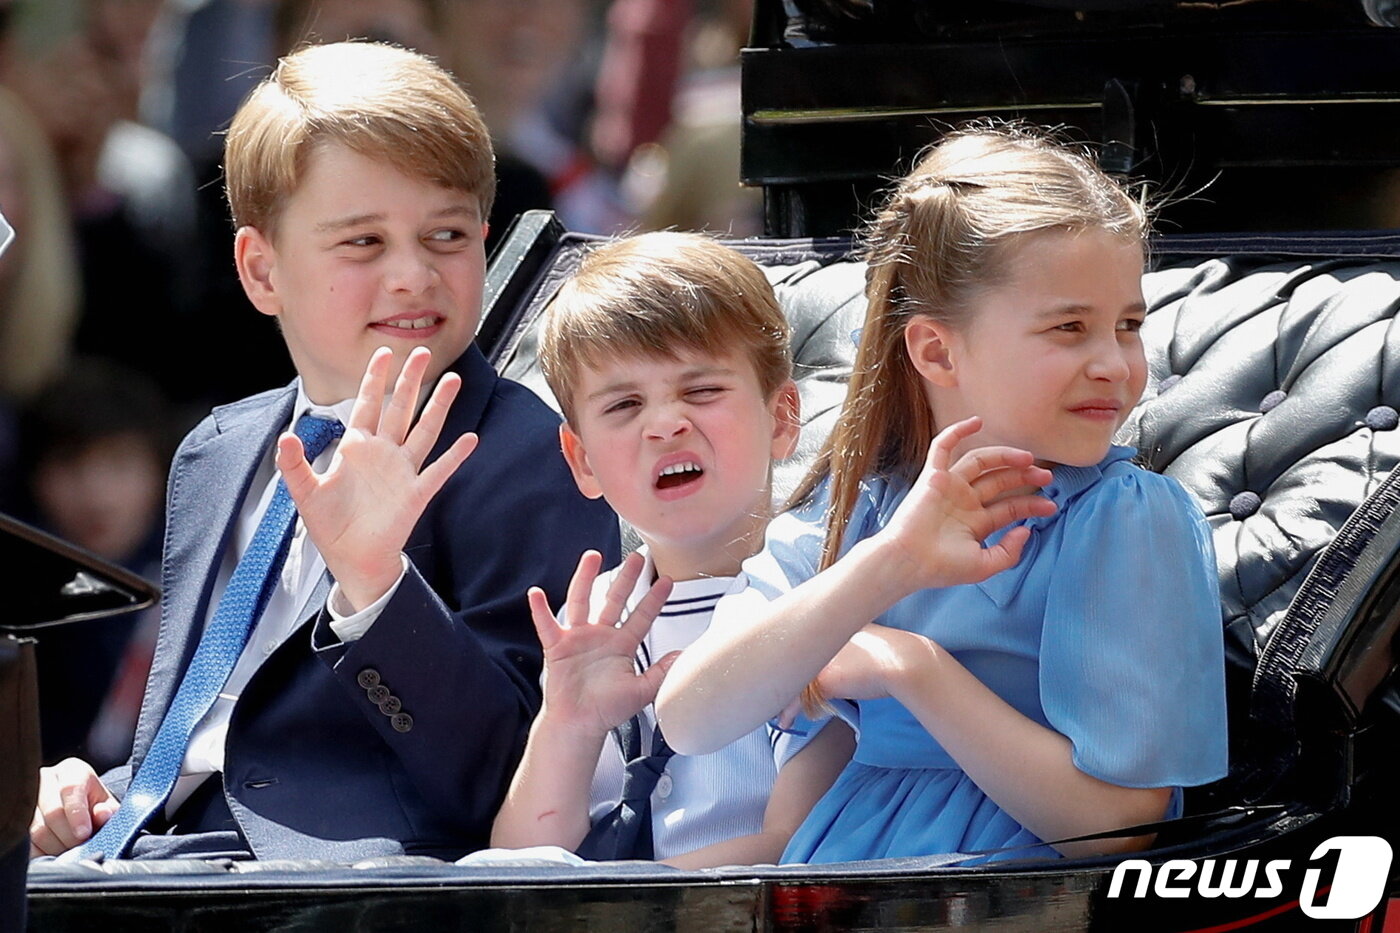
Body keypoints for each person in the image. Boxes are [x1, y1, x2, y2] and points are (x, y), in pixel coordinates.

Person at [27, 40, 618, 863]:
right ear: (261, 270)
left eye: (447, 234)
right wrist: (93, 790)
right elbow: (209, 735)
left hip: (345, 883)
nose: (414, 274)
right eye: (364, 243)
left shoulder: (534, 454)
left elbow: (514, 783)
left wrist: (377, 584)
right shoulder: (217, 450)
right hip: (143, 858)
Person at [655, 124, 1229, 864]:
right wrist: (889, 563)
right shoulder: (860, 508)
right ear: (935, 350)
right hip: (845, 874)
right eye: (1069, 328)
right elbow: (692, 717)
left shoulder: (1123, 517)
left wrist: (913, 669)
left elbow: (1115, 824)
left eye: (1127, 325)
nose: (1115, 364)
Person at [489, 232, 854, 867]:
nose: (665, 423)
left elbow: (798, 844)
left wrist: (603, 907)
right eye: (625, 404)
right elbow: (524, 857)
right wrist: (569, 724)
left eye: (702, 391)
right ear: (583, 462)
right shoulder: (596, 621)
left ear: (784, 417)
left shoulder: (824, 595)